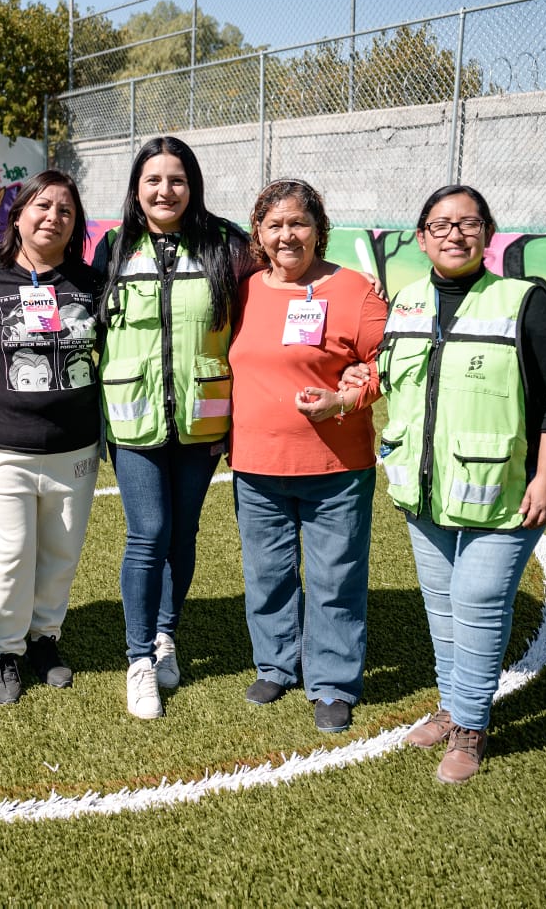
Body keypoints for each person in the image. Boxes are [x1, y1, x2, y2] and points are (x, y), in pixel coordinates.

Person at [377, 184, 546, 783]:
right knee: (442, 605)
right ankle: (452, 706)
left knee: (478, 600)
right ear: (421, 238)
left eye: (468, 223)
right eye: (440, 225)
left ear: (488, 234)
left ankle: (470, 725)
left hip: (505, 490)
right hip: (424, 490)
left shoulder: (524, 302)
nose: (455, 234)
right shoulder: (407, 302)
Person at [94, 136, 250, 719]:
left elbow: (267, 306)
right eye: (153, 180)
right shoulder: (113, 248)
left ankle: (165, 636)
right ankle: (138, 661)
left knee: (182, 534)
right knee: (149, 532)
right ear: (136, 188)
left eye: (177, 180)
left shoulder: (226, 244)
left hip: (202, 418)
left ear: (193, 186)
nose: (166, 191)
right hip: (132, 416)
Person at [228, 179, 388, 733]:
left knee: (334, 580)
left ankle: (333, 682)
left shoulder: (354, 291)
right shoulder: (244, 289)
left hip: (335, 468)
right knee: (267, 575)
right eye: (274, 225)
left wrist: (345, 398)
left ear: (320, 229)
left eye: (298, 222)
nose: (287, 235)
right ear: (258, 233)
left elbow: (391, 360)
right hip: (255, 465)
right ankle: (276, 664)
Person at [0, 170, 102, 705]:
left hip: (75, 446)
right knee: (12, 552)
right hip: (4, 446)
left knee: (61, 553)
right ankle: (4, 651)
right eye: (42, 206)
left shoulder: (90, 282)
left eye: (65, 210)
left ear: (76, 223)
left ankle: (45, 638)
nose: (53, 218)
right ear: (18, 214)